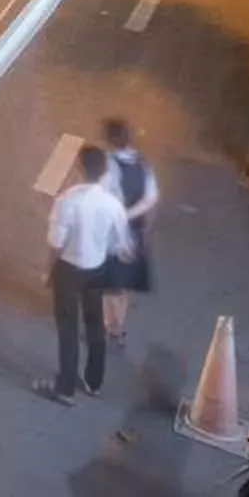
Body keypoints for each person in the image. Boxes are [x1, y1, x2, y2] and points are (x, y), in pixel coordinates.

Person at [38, 143, 134, 404]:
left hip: (69, 269)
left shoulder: (67, 201)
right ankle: (94, 381)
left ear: (80, 169)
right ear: (104, 172)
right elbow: (121, 245)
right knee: (95, 326)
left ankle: (65, 388)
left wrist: (49, 271)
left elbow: (56, 243)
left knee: (68, 328)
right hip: (98, 269)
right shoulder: (113, 205)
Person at [100, 119, 158, 343]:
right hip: (135, 233)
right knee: (122, 287)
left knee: (110, 288)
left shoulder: (108, 165)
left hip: (114, 234)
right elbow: (151, 200)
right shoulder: (143, 165)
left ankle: (112, 328)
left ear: (110, 140)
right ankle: (117, 327)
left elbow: (101, 198)